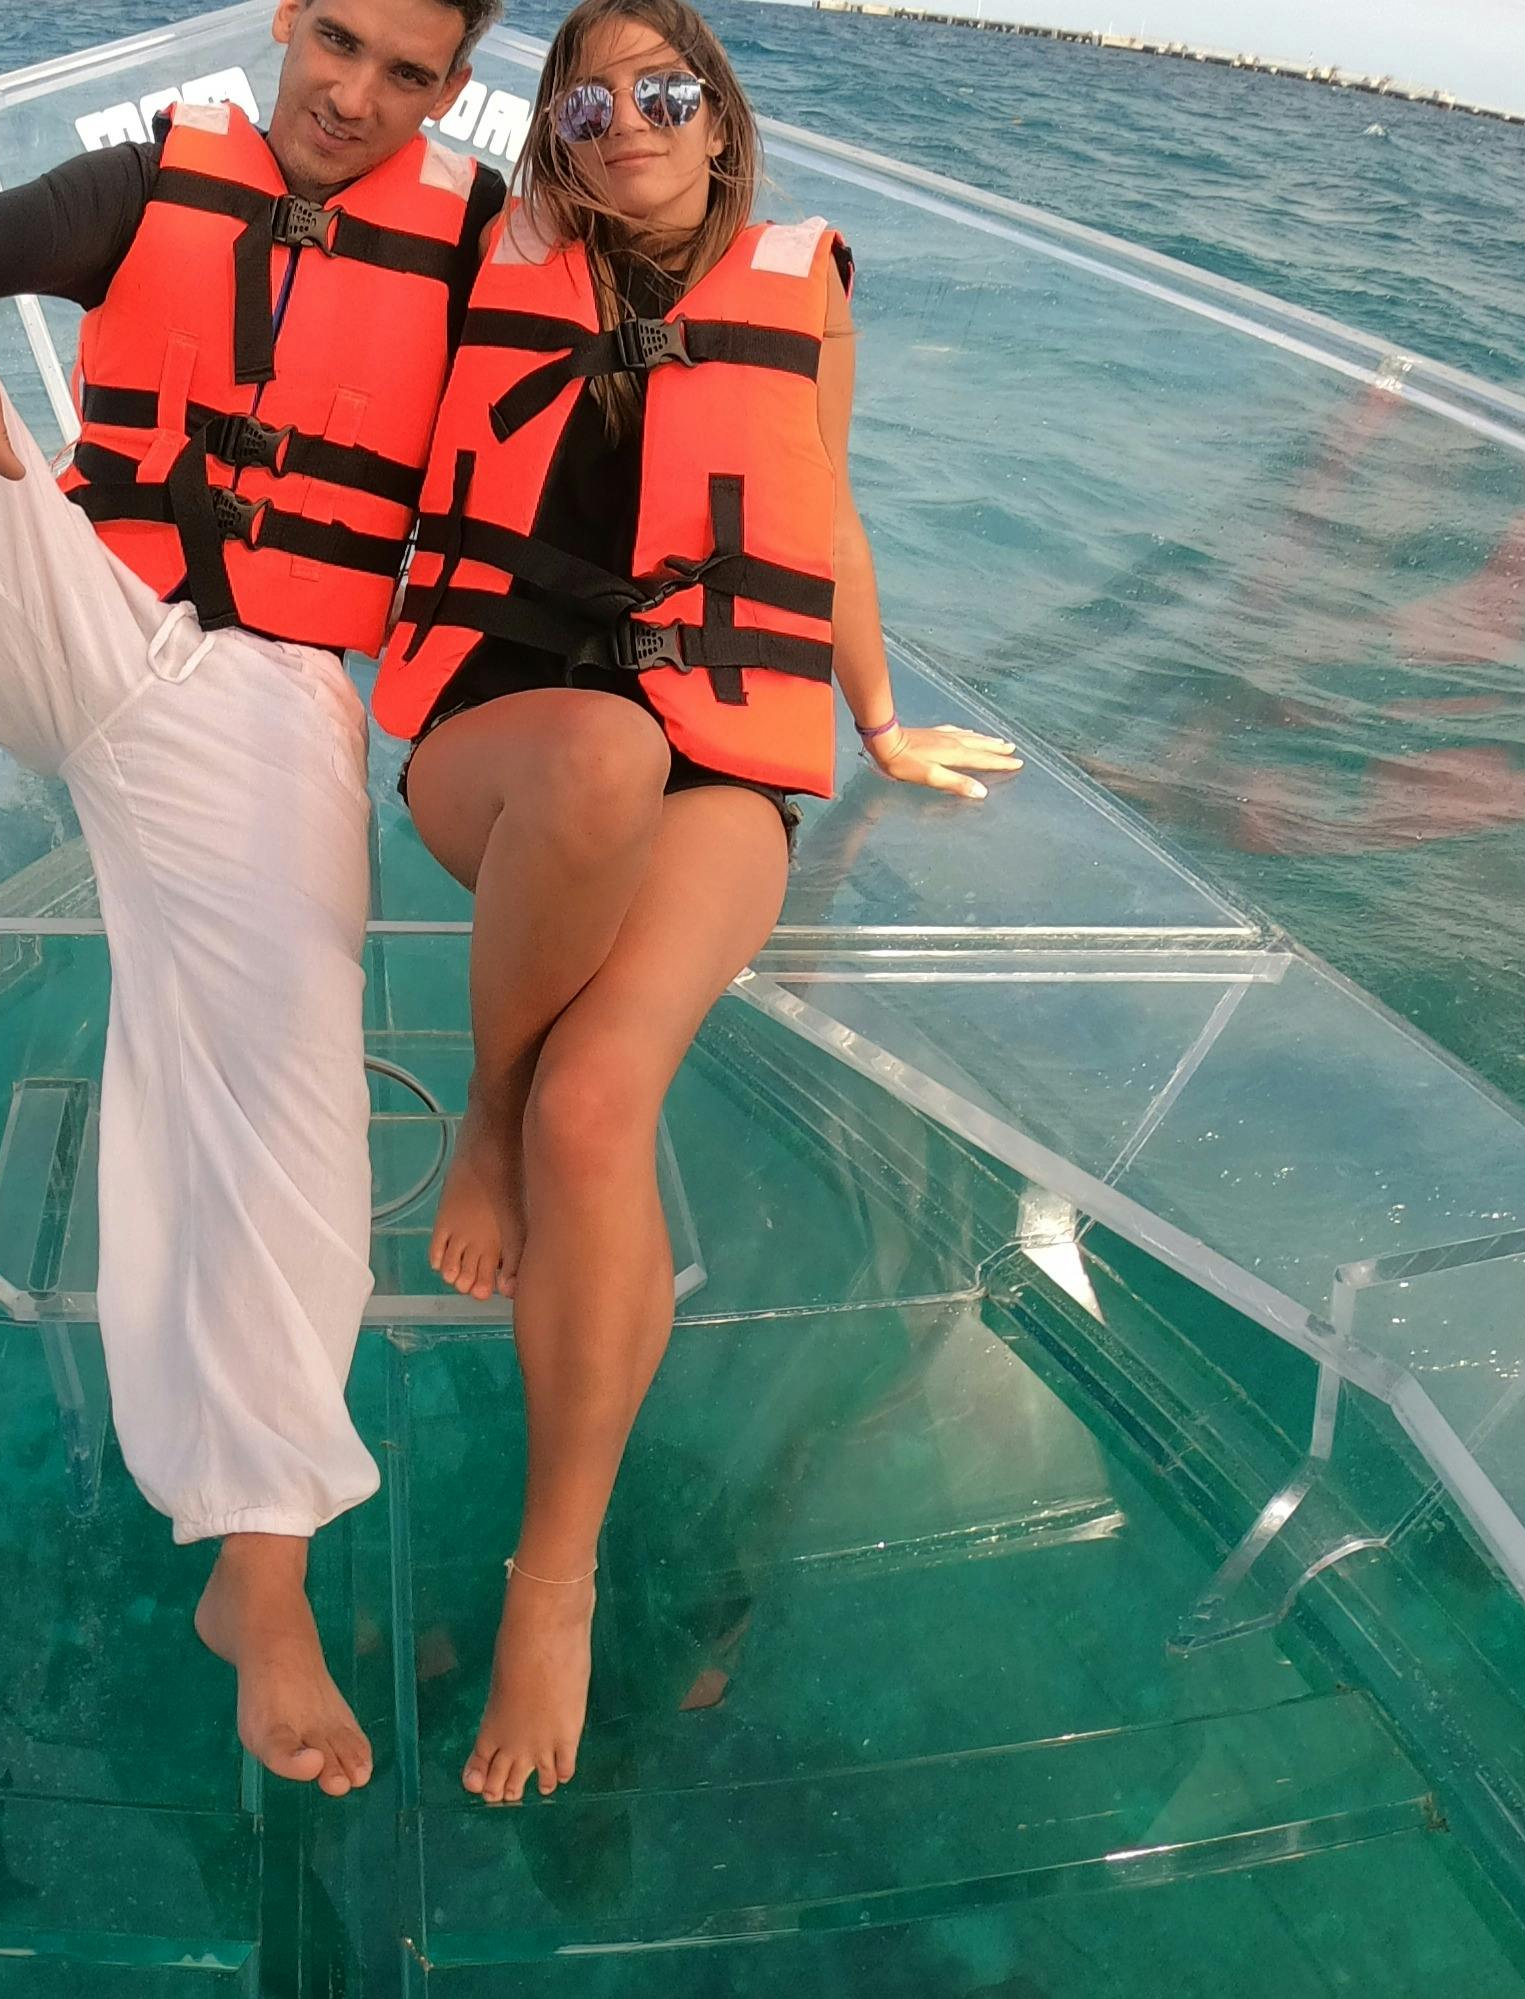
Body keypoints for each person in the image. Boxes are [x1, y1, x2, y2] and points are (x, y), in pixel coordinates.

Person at [0, 0, 511, 1797]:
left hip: (270, 699)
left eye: (407, 74)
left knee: (286, 1098)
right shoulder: (166, 176)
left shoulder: (479, 242)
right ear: (287, 16)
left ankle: (261, 1568)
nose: (353, 95)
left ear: (453, 88)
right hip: (86, 619)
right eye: (336, 40)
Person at [370, 0, 1020, 1803]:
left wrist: (880, 724)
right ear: (555, 143)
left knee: (602, 1106)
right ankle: (482, 1109)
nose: (630, 120)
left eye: (664, 91)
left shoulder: (804, 287)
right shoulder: (494, 254)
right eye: (587, 104)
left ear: (718, 118)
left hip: (723, 759)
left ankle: (554, 1575)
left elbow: (827, 516)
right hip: (507, 742)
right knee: (596, 765)